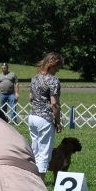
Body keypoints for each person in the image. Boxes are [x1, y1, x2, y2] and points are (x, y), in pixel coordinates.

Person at [28, 52, 64, 181]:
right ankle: (40, 183)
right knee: (44, 153)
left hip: (32, 117)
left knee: (35, 150)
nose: (59, 70)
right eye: (58, 67)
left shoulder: (35, 78)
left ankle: (31, 178)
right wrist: (58, 121)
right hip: (45, 118)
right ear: (54, 65)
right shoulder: (53, 80)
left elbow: (31, 98)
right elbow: (54, 103)